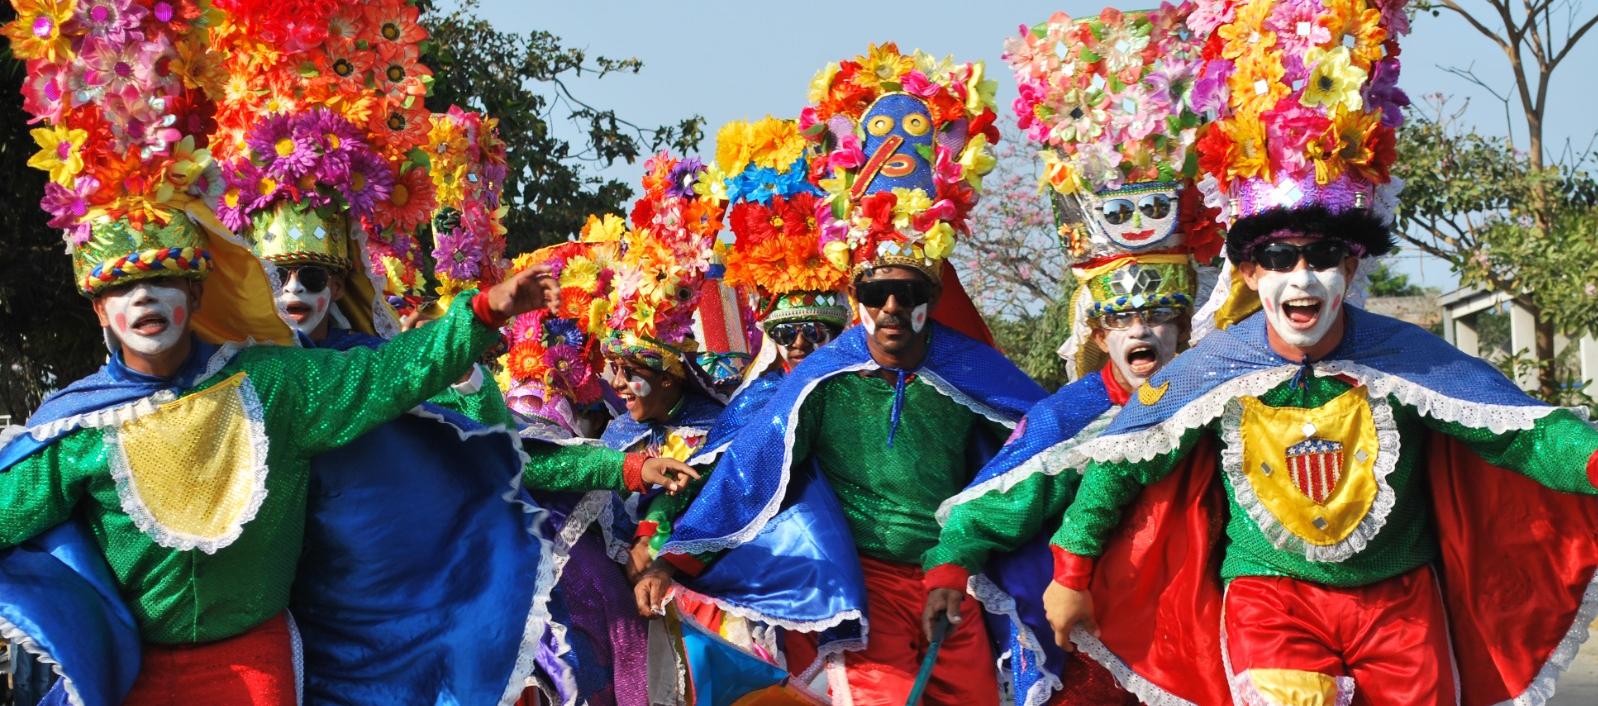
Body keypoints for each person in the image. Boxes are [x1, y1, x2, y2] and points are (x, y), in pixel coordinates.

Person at [1043, 2, 1598, 704]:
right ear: (1248, 273)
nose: (1301, 277)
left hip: (1402, 609)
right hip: (1271, 606)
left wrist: (1591, 457)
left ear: (1352, 265)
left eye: (1323, 255)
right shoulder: (1211, 369)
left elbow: (1519, 432)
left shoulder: (1411, 360)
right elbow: (1122, 459)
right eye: (1278, 256)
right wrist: (1071, 571)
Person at [650, 44, 1047, 705]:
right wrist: (675, 558)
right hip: (863, 593)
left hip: (955, 589)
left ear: (932, 296)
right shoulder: (824, 376)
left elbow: (1036, 451)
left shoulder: (970, 368)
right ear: (858, 300)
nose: (892, 309)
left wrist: (962, 555)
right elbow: (752, 471)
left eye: (908, 293)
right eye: (877, 294)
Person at [919, 7, 1220, 704]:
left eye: (1157, 317)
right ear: (1097, 329)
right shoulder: (1075, 414)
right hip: (1098, 654)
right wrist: (946, 570)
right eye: (1124, 318)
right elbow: (992, 506)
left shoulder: (1224, 397)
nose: (1141, 334)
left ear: (1184, 324)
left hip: (1213, 641)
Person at [699, 115, 853, 466]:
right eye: (785, 333)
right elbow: (716, 473)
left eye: (814, 332)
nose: (798, 344)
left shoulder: (861, 392)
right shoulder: (757, 399)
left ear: (836, 331)